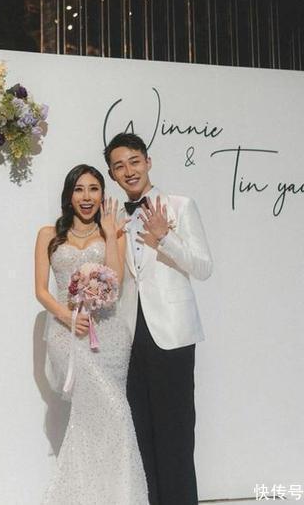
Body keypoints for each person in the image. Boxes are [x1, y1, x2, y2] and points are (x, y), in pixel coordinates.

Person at [104, 132, 213, 505]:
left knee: (176, 432)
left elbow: (203, 267)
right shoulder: (116, 217)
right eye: (119, 166)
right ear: (113, 174)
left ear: (148, 162)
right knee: (141, 433)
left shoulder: (181, 205)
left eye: (134, 161)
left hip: (172, 331)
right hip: (131, 334)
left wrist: (164, 238)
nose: (129, 171)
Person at [35, 163, 149, 505]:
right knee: (102, 413)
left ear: (102, 195)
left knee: (112, 414)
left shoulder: (113, 232)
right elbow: (41, 290)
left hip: (109, 334)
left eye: (94, 189)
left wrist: (112, 235)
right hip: (66, 333)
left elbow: (116, 283)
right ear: (69, 195)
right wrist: (66, 317)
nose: (86, 197)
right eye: (79, 189)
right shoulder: (48, 234)